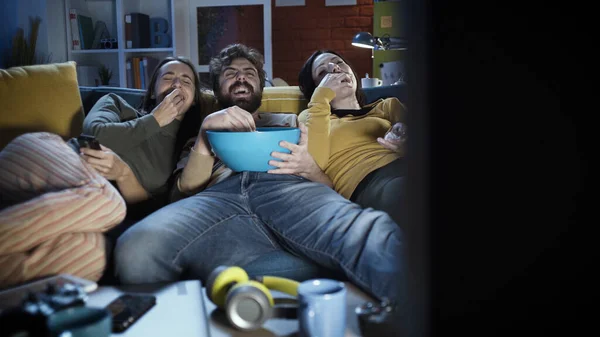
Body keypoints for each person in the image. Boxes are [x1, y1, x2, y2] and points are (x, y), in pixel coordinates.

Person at [114, 44, 408, 306]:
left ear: (261, 86)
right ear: (217, 88)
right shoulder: (202, 130)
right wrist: (205, 136)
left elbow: (328, 187)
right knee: (135, 251)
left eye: (249, 72)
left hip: (289, 191)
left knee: (374, 235)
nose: (241, 77)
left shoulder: (293, 121)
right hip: (219, 198)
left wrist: (310, 167)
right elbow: (183, 193)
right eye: (230, 73)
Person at [80, 56, 218, 217]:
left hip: (104, 210)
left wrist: (123, 173)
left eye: (186, 81)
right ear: (153, 91)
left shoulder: (189, 149)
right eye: (168, 78)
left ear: (194, 100)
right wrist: (155, 120)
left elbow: (159, 210)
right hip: (70, 168)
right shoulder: (115, 103)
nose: (176, 84)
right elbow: (92, 135)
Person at [296, 50, 407, 226]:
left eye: (338, 62)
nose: (335, 69)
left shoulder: (387, 106)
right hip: (371, 184)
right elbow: (315, 163)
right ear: (316, 87)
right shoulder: (311, 115)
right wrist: (321, 98)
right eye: (323, 72)